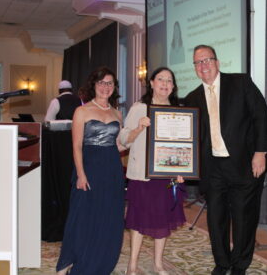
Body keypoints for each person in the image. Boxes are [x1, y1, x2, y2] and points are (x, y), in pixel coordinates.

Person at [184, 45, 267, 275]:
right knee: (216, 219)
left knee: (244, 218)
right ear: (194, 68)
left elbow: (260, 115)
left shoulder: (240, 83)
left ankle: (240, 265)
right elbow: (189, 138)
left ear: (217, 62)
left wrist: (260, 152)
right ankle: (222, 264)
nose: (203, 65)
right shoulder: (192, 98)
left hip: (244, 163)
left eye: (207, 60)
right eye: (198, 62)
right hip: (212, 168)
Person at [56, 67, 125, 275]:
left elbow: (120, 145)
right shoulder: (82, 111)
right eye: (102, 83)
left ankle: (99, 263)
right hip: (89, 167)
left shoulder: (117, 113)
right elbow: (76, 146)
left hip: (112, 168)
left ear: (114, 87)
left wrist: (140, 133)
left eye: (110, 83)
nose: (106, 87)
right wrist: (81, 174)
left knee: (108, 217)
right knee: (82, 217)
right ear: (93, 85)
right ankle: (67, 263)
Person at [120, 67, 186, 275]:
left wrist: (184, 168)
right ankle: (132, 265)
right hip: (143, 174)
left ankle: (158, 264)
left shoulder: (179, 111)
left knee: (163, 218)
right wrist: (139, 127)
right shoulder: (139, 108)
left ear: (173, 86)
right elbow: (123, 141)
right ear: (151, 83)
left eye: (169, 80)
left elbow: (184, 145)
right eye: (160, 79)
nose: (165, 84)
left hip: (167, 175)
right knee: (138, 219)